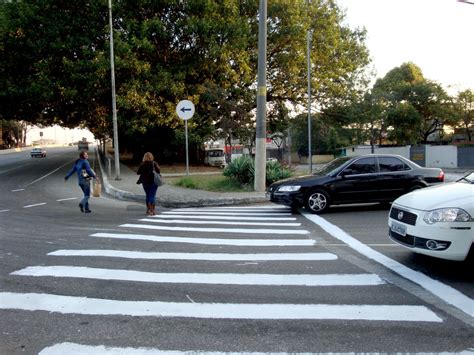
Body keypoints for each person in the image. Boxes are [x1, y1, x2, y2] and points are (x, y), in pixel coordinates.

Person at [136, 152, 161, 216]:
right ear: (151, 157)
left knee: (148, 195)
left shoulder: (142, 164)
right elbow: (159, 171)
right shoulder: (154, 163)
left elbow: (138, 172)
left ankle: (148, 209)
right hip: (154, 182)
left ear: (144, 157)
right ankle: (152, 210)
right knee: (152, 195)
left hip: (145, 182)